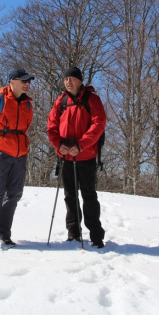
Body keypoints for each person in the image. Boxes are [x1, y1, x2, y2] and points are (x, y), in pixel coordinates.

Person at [47, 67, 106, 248]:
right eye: (66, 79)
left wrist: (81, 145)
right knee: (70, 196)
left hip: (86, 156)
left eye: (72, 78)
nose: (68, 82)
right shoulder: (61, 101)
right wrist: (58, 145)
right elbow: (51, 127)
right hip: (66, 158)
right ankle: (74, 233)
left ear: (80, 81)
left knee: (89, 196)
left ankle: (96, 236)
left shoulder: (92, 100)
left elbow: (99, 123)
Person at [0, 68, 35, 251]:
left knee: (14, 194)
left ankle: (4, 234)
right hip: (0, 153)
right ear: (12, 81)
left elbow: (25, 129)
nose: (27, 84)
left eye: (29, 81)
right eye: (23, 81)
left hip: (20, 155)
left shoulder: (28, 105)